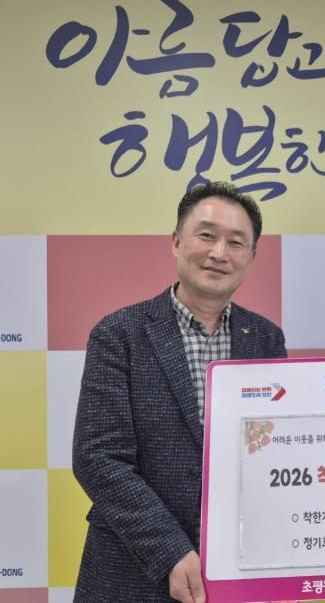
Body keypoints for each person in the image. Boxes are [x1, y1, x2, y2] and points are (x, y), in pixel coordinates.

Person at [72, 182, 287, 602]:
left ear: (251, 257)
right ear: (176, 242)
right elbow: (98, 458)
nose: (219, 253)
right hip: (130, 573)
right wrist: (170, 550)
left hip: (236, 571)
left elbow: (276, 451)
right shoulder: (119, 334)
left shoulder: (265, 338)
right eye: (206, 235)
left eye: (236, 242)